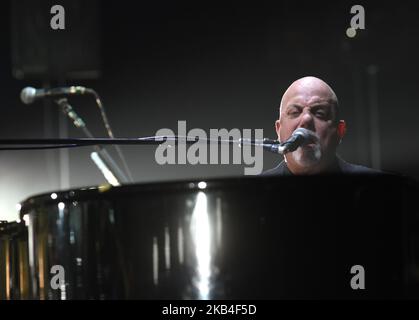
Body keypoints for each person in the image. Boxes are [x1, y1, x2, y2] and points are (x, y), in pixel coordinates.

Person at [262, 76, 382, 176]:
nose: (306, 119)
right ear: (278, 130)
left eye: (320, 113)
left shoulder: (378, 187)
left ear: (340, 130)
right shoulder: (252, 191)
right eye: (294, 112)